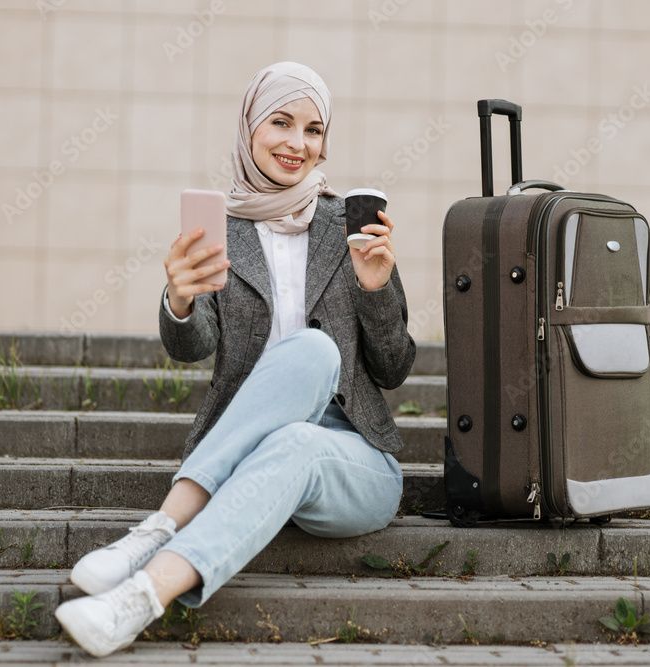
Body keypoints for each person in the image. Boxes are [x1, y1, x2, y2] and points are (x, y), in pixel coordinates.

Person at [54, 61, 415, 658]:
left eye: (314, 129)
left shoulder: (345, 227)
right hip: (252, 443)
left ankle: (152, 555)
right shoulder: (224, 229)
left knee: (317, 355)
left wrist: (376, 290)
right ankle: (144, 574)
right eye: (281, 122)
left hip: (354, 460)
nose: (298, 144)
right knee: (291, 426)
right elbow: (190, 347)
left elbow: (394, 369)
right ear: (250, 126)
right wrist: (179, 299)